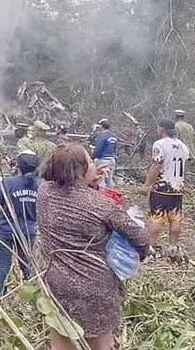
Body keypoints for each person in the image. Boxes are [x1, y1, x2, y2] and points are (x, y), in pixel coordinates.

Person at [38, 144, 149, 350]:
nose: (94, 165)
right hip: (95, 287)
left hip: (55, 282)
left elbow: (72, 199)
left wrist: (90, 185)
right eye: (90, 162)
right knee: (99, 343)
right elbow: (141, 238)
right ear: (81, 170)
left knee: (62, 338)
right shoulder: (102, 205)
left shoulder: (44, 193)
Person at [0, 151, 39, 297]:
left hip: (5, 230)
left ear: (18, 165)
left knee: (4, 264)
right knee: (26, 263)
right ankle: (32, 295)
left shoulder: (8, 182)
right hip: (27, 231)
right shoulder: (40, 186)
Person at [142, 118, 190, 254]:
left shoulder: (160, 144)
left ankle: (150, 247)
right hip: (178, 187)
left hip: (162, 187)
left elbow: (157, 164)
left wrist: (147, 185)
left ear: (161, 129)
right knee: (175, 217)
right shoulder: (182, 145)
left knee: (156, 217)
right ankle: (172, 246)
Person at [91, 118, 118, 187]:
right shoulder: (113, 135)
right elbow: (115, 148)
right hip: (112, 160)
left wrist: (92, 157)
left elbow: (98, 149)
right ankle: (110, 195)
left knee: (101, 181)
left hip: (103, 160)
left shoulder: (102, 136)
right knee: (109, 180)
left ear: (101, 126)